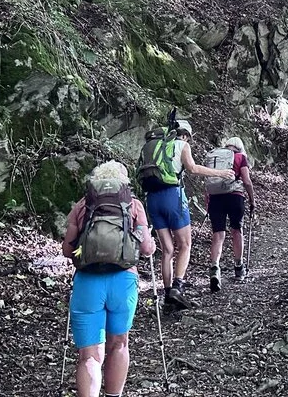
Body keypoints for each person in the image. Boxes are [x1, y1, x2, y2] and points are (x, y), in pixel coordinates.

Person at [62, 160, 156, 397]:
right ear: (123, 183)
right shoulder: (133, 205)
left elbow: (68, 250)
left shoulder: (82, 207)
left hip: (87, 283)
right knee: (119, 343)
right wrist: (151, 243)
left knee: (88, 356)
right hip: (123, 283)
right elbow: (145, 248)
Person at [141, 119, 234, 307]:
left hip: (152, 198)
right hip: (172, 196)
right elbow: (193, 168)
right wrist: (222, 173)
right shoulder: (181, 145)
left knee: (167, 250)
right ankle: (177, 287)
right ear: (185, 135)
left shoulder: (153, 147)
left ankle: (167, 293)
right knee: (185, 244)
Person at [206, 136, 256, 292]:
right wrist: (252, 200)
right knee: (236, 230)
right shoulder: (240, 157)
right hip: (235, 197)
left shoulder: (214, 156)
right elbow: (246, 181)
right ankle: (238, 267)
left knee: (218, 235)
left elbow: (208, 181)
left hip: (215, 198)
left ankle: (215, 268)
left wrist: (208, 200)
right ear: (240, 147)